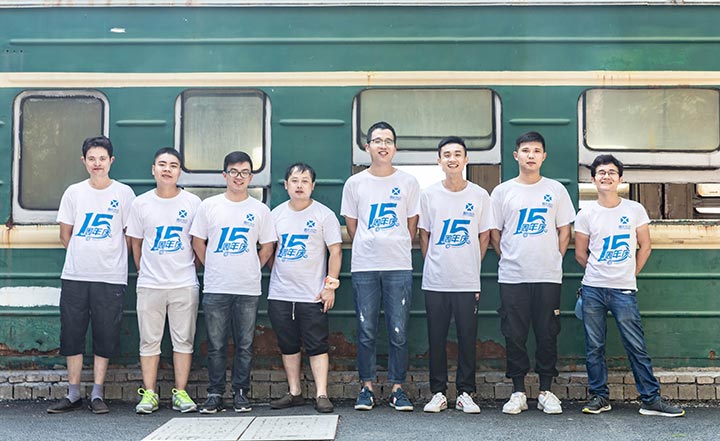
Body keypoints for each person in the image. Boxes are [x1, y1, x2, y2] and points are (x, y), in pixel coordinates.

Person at [574, 154, 685, 417]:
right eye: (601, 172)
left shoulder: (634, 209)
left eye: (612, 172)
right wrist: (599, 273)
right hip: (592, 289)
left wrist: (630, 273)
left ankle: (651, 400)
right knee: (594, 347)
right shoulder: (586, 213)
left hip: (624, 290)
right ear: (593, 179)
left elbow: (645, 246)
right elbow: (580, 253)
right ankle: (599, 397)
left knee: (636, 346)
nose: (606, 176)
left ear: (620, 179)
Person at [47, 136, 136, 415]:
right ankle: (73, 393)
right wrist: (83, 255)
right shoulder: (74, 192)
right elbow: (65, 234)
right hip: (75, 275)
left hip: (110, 277)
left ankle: (97, 393)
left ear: (111, 161)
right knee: (72, 333)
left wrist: (109, 257)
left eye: (102, 158)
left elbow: (130, 235)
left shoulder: (124, 193)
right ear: (84, 161)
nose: (97, 163)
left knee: (105, 334)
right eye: (92, 158)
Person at [489, 131, 575, 415]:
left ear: (544, 156)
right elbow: (495, 233)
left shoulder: (556, 190)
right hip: (513, 276)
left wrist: (554, 258)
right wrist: (509, 257)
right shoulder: (502, 192)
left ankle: (546, 391)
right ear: (516, 155)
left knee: (547, 333)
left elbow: (564, 230)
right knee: (514, 334)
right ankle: (517, 392)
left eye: (536, 151)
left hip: (548, 276)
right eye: (526, 150)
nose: (531, 155)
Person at [340, 121, 420, 411]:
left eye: (388, 140)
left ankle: (398, 388)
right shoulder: (355, 183)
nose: (382, 145)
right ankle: (367, 388)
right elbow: (352, 226)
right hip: (365, 266)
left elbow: (411, 225)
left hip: (398, 265)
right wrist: (371, 243)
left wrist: (392, 243)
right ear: (367, 147)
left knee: (398, 330)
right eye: (377, 140)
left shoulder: (408, 182)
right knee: (366, 330)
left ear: (395, 148)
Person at [190, 151, 276, 414]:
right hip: (216, 287)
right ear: (224, 175)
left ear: (251, 176)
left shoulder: (259, 210)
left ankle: (241, 393)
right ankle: (215, 394)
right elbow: (198, 241)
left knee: (245, 345)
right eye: (234, 172)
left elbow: (268, 246)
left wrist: (251, 266)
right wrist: (213, 265)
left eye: (245, 172)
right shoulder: (209, 206)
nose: (239, 177)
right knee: (216, 345)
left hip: (247, 288)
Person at [419, 137, 494, 414]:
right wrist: (434, 262)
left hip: (467, 280)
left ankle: (465, 393)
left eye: (457, 154)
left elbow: (484, 236)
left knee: (467, 338)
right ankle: (438, 392)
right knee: (436, 338)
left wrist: (471, 264)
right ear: (439, 161)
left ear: (466, 160)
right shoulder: (428, 195)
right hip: (435, 280)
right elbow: (424, 235)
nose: (452, 159)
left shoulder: (479, 195)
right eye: (447, 154)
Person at [125, 148, 202, 414]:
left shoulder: (192, 203)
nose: (167, 169)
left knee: (184, 341)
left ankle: (180, 393)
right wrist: (143, 270)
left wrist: (189, 270)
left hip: (184, 284)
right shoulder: (141, 203)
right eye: (162, 164)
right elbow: (136, 243)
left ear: (180, 171)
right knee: (149, 341)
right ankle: (149, 394)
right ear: (153, 169)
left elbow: (197, 243)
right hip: (150, 284)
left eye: (173, 165)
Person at [267, 163, 342, 414]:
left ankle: (321, 394)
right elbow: (270, 250)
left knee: (317, 345)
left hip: (313, 295)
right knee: (287, 344)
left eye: (305, 181)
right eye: (295, 180)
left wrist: (330, 286)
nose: (299, 185)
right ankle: (294, 392)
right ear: (286, 184)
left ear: (313, 186)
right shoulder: (276, 215)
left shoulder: (324, 215)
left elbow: (335, 251)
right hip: (280, 294)